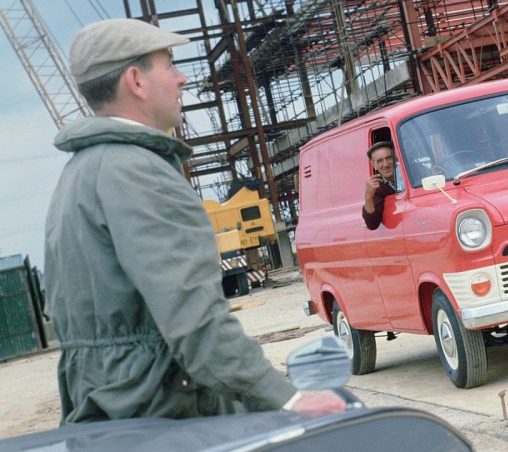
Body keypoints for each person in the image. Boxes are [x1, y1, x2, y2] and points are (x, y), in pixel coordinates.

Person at [44, 18, 342, 424]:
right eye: (169, 64)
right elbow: (194, 317)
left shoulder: (78, 174)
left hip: (108, 410)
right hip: (163, 408)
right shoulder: (139, 172)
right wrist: (284, 398)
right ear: (136, 81)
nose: (182, 78)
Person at [362, 141, 400, 230]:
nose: (385, 164)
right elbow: (372, 224)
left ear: (396, 158)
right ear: (374, 165)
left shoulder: (413, 172)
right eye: (379, 161)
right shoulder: (377, 187)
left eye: (389, 158)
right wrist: (368, 196)